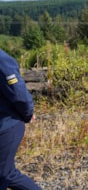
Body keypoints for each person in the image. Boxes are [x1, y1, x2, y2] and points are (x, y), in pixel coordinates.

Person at [0, 48, 41, 190]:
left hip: (6, 126)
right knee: (8, 174)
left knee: (4, 174)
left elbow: (19, 94)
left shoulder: (1, 60)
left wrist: (27, 114)